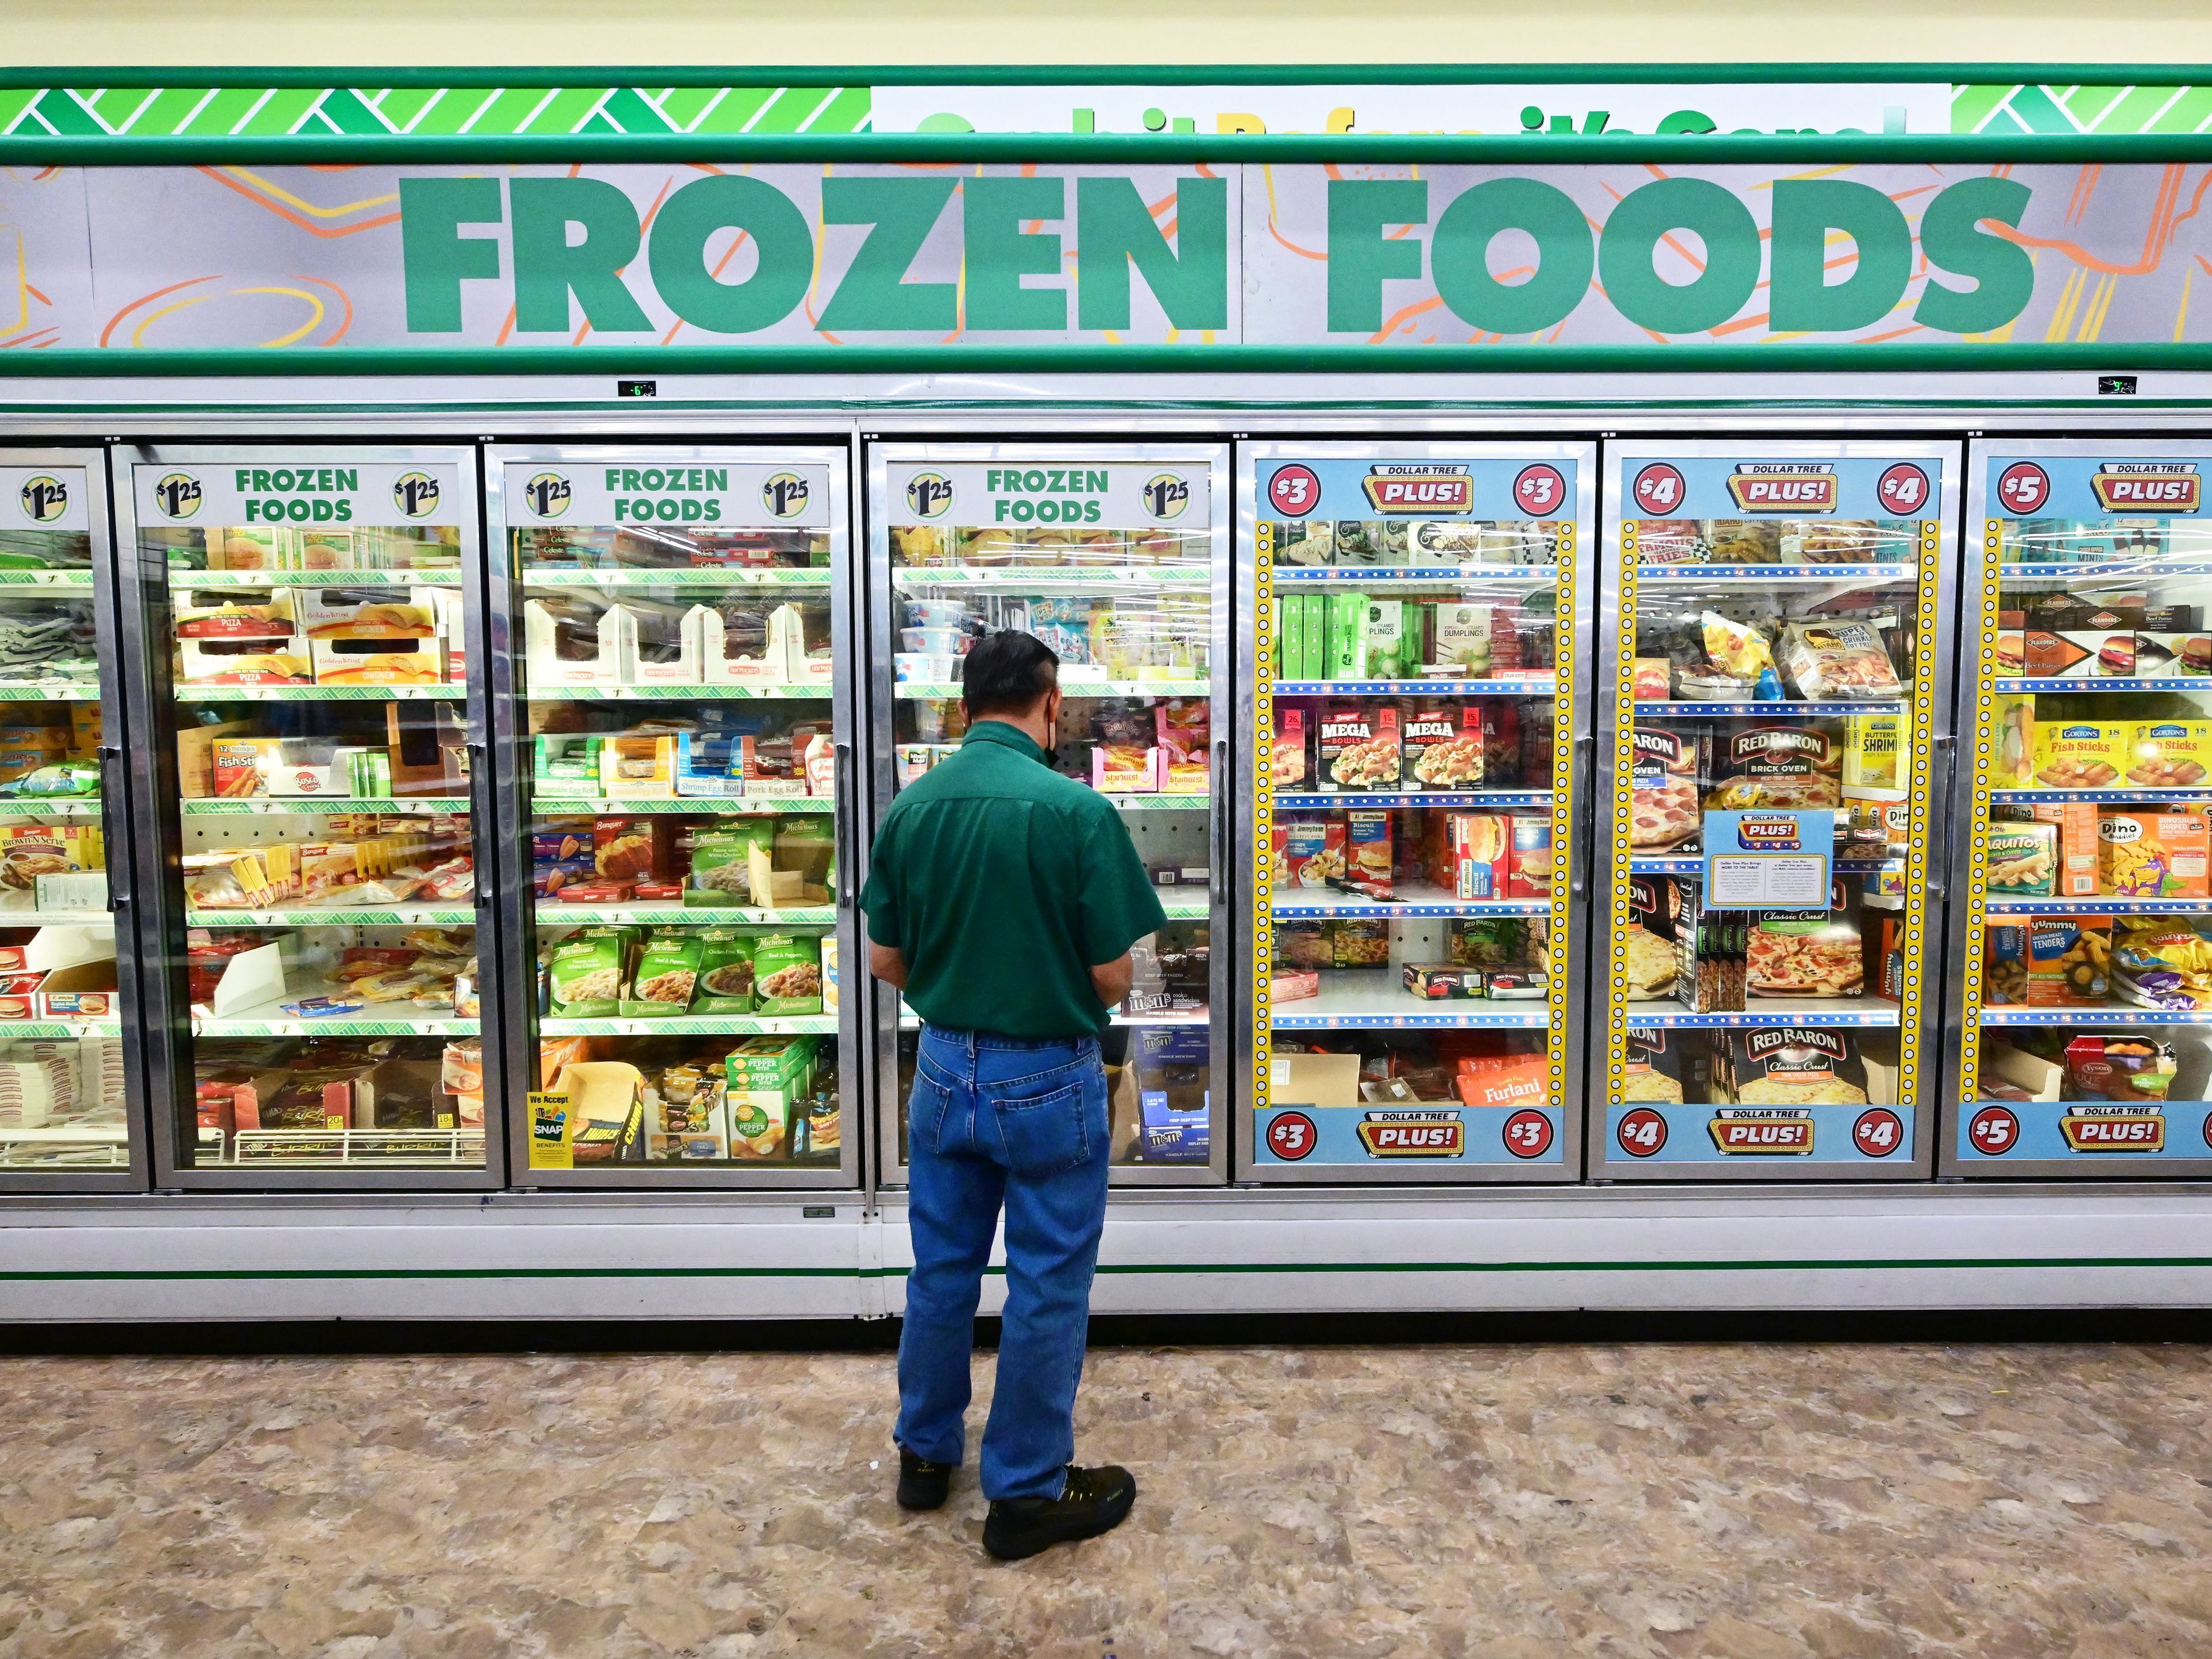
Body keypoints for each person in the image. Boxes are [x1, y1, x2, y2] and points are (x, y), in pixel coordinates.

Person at [859, 628, 1167, 1561]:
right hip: (1049, 1077)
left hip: (946, 1069)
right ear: (1051, 703)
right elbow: (1114, 975)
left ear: (961, 708)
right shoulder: (1075, 812)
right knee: (1045, 1283)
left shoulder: (912, 808)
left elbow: (885, 961)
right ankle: (1027, 1492)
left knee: (939, 1271)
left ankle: (924, 1456)